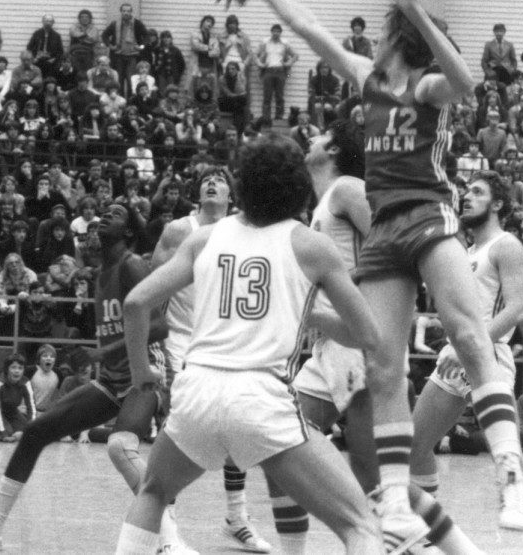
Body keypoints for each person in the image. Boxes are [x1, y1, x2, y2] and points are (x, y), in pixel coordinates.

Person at [218, 0, 523, 533]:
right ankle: (393, 499)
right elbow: (308, 29)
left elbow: (466, 83)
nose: (375, 40)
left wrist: (417, 9)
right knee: (384, 364)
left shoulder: (428, 88)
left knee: (466, 332)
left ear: (400, 41)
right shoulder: (365, 78)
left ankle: (507, 469)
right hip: (386, 228)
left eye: (387, 32)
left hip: (429, 216)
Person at [114, 135, 383, 555]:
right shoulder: (312, 245)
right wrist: (312, 314)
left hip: (197, 392)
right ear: (297, 187)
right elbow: (368, 335)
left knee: (152, 491)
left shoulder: (205, 238)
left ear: (242, 185)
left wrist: (140, 374)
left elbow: (135, 303)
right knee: (360, 524)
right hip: (260, 399)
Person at [267, 121, 481, 555]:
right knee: (277, 441)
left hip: (358, 342)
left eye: (321, 134)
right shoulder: (324, 200)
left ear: (334, 148)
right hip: (330, 346)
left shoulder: (347, 189)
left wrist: (340, 293)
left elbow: (395, 246)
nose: (311, 138)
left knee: (379, 477)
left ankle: (457, 549)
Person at [0, 203, 174, 554]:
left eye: (115, 214)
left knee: (120, 446)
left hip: (146, 374)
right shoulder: (101, 273)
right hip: (114, 379)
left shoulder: (131, 265)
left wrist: (101, 353)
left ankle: (169, 540)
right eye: (104, 212)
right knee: (35, 433)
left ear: (129, 232)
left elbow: (160, 326)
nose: (103, 216)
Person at [409, 172, 523, 555]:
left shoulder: (507, 245)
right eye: (466, 191)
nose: (466, 197)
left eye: (477, 192)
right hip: (453, 358)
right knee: (416, 446)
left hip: (489, 356)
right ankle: (426, 538)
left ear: (498, 204)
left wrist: (474, 343)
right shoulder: (464, 251)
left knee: (509, 456)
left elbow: (516, 308)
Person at [150, 168, 270, 553]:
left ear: (231, 193)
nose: (212, 183)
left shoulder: (244, 230)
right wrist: (154, 345)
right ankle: (165, 529)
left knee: (238, 424)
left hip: (227, 342)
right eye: (206, 180)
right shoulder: (178, 231)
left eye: (219, 179)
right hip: (182, 341)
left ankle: (236, 519)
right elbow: (154, 290)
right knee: (175, 429)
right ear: (197, 192)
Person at [0, 352, 36, 442]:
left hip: (11, 411)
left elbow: (31, 407)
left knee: (26, 430)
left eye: (20, 368)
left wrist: (31, 430)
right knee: (8, 433)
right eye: (13, 367)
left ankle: (4, 427)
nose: (17, 371)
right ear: (7, 369)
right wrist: (4, 434)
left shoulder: (26, 382)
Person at [254, 23, 297, 126]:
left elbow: (295, 55)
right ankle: (266, 119)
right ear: (271, 32)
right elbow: (255, 54)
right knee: (267, 96)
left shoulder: (285, 43)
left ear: (280, 33)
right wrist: (260, 64)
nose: (276, 33)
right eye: (274, 31)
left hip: (281, 71)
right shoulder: (265, 42)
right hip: (268, 71)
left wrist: (288, 63)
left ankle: (279, 118)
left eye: (278, 31)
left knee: (279, 96)